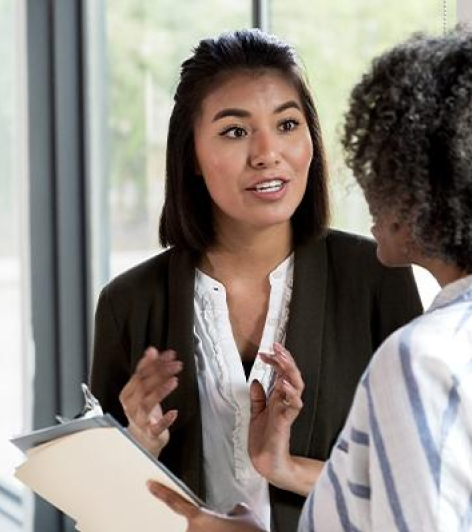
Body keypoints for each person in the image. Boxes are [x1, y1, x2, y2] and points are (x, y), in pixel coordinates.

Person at [148, 22, 472, 532]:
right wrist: (273, 476)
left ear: (430, 189)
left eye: (383, 165)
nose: (362, 183)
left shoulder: (424, 359)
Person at [90, 29, 422, 531]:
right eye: (235, 131)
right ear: (192, 158)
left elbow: (420, 481)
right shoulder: (129, 303)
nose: (268, 153)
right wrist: (139, 446)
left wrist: (285, 470)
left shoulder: (376, 279)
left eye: (287, 124)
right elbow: (99, 512)